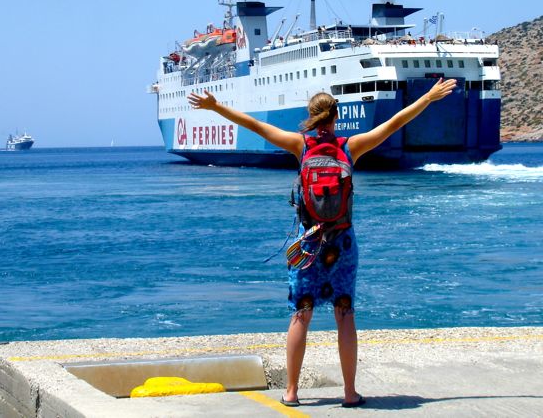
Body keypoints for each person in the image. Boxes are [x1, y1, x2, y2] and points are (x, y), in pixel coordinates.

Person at [187, 78, 457, 407]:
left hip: (308, 243)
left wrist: (215, 107)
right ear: (336, 117)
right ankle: (349, 393)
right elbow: (395, 122)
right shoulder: (350, 147)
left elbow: (254, 125)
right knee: (345, 314)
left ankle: (291, 392)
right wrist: (428, 97)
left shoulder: (299, 146)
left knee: (301, 314)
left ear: (312, 116)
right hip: (342, 244)